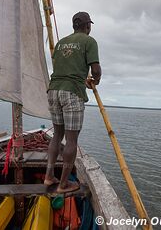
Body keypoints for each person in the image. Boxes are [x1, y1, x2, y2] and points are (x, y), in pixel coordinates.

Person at [44, 11, 102, 193]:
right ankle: (62, 184)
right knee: (71, 140)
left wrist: (80, 77)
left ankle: (48, 176)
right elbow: (96, 69)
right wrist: (96, 80)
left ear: (73, 26)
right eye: (89, 25)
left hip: (53, 90)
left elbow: (66, 68)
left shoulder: (61, 44)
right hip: (72, 93)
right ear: (87, 26)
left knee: (57, 135)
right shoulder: (89, 41)